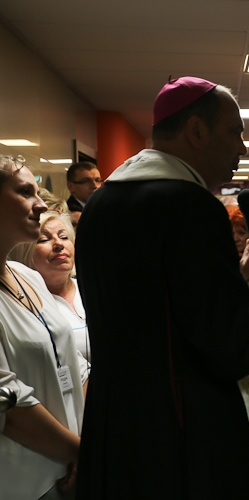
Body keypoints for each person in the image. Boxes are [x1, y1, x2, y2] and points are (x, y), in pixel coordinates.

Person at [74, 76, 249, 498]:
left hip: (117, 422)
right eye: (235, 133)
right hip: (182, 435)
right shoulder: (191, 206)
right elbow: (233, 348)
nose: (242, 148)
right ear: (197, 132)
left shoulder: (100, 204)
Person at [0, 154, 86, 499]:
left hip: (70, 464)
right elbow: (9, 407)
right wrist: (80, 452)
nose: (40, 205)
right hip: (25, 483)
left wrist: (84, 443)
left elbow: (73, 364)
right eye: (25, 192)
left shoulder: (29, 277)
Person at [9, 211, 89, 361]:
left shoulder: (91, 288)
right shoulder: (24, 305)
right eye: (44, 239)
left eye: (64, 237)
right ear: (24, 253)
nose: (59, 244)